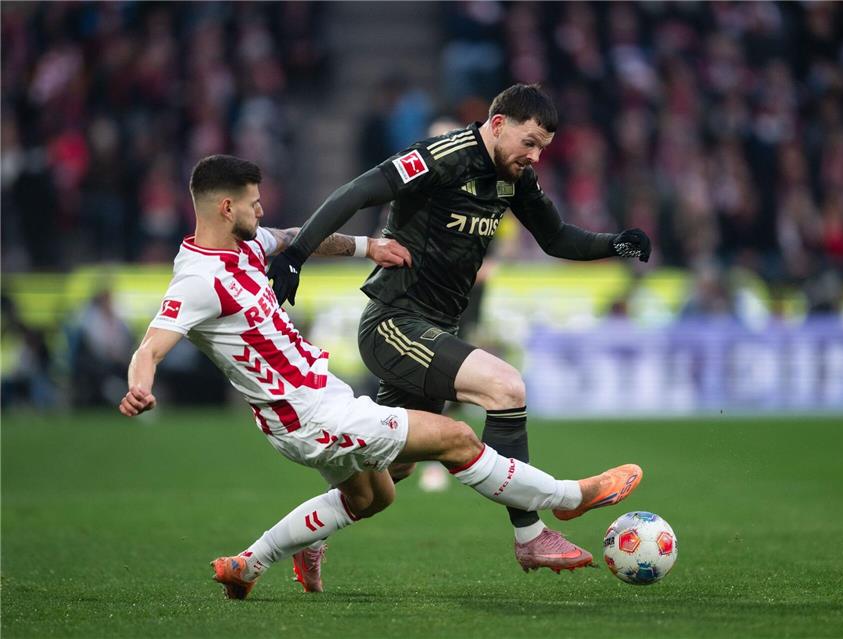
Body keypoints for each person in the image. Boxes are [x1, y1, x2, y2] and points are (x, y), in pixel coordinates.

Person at [118, 154, 642, 599]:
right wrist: (140, 386)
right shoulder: (197, 280)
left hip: (317, 399)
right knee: (456, 438)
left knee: (375, 496)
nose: (261, 209)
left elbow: (300, 237)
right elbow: (152, 345)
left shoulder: (246, 244)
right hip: (308, 415)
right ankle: (569, 499)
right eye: (254, 202)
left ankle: (248, 565)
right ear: (225, 207)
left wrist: (371, 248)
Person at [267, 84, 652, 572]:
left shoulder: (513, 177)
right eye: (529, 142)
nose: (534, 156)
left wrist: (614, 244)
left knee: (390, 466)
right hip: (393, 321)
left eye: (542, 149)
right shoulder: (443, 156)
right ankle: (531, 535)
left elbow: (556, 238)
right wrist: (297, 254)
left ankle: (309, 536)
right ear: (497, 125)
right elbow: (358, 191)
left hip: (433, 329)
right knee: (505, 387)